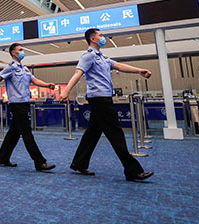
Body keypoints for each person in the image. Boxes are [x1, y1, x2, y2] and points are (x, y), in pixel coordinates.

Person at [59, 28, 154, 182]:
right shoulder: (88, 56)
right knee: (116, 134)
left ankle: (79, 163)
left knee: (93, 132)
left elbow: (119, 66)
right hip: (99, 100)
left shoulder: (102, 57)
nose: (104, 38)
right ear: (93, 39)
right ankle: (133, 171)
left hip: (104, 99)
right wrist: (66, 91)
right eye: (101, 36)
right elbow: (78, 73)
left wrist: (139, 71)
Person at [0, 44, 56, 172]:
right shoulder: (10, 68)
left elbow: (35, 80)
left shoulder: (25, 69)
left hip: (25, 103)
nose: (23, 52)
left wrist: (47, 85)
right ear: (13, 53)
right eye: (20, 50)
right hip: (16, 104)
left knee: (14, 132)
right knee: (27, 133)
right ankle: (40, 162)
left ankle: (3, 158)